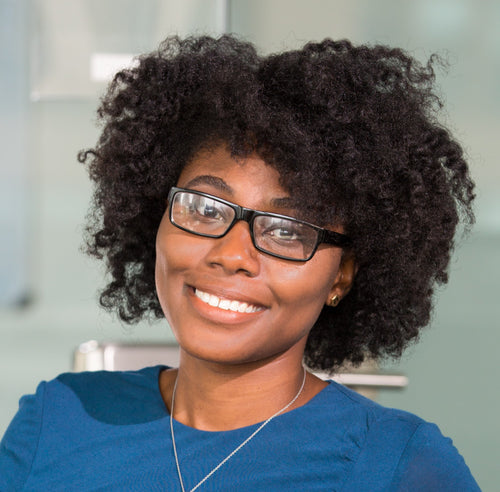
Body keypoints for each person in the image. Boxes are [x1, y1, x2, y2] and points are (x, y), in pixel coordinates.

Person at [0, 35, 480, 491]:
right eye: (206, 208)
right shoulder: (59, 419)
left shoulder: (397, 465)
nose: (231, 255)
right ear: (156, 216)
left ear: (343, 274)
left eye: (287, 231)